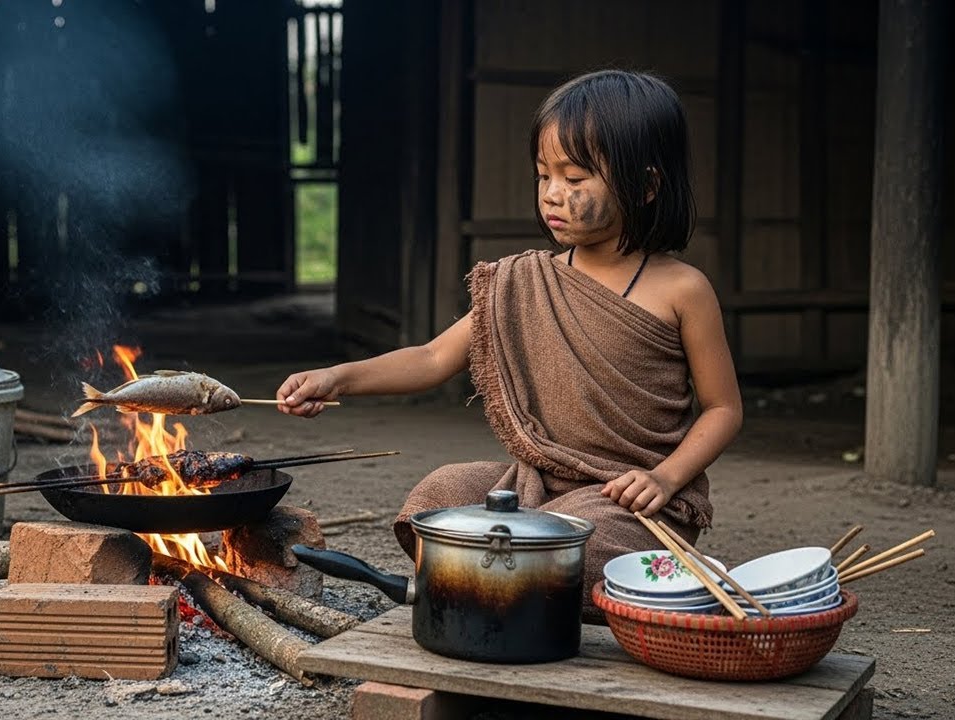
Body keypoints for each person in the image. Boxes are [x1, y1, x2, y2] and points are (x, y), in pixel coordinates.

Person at [276, 70, 742, 620]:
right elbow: (431, 358)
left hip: (628, 502)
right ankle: (518, 585)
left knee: (584, 548)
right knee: (441, 495)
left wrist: (665, 478)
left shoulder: (683, 290)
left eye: (574, 177)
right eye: (543, 175)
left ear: (645, 186)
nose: (551, 194)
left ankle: (496, 584)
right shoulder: (523, 281)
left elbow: (723, 408)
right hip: (536, 485)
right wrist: (338, 378)